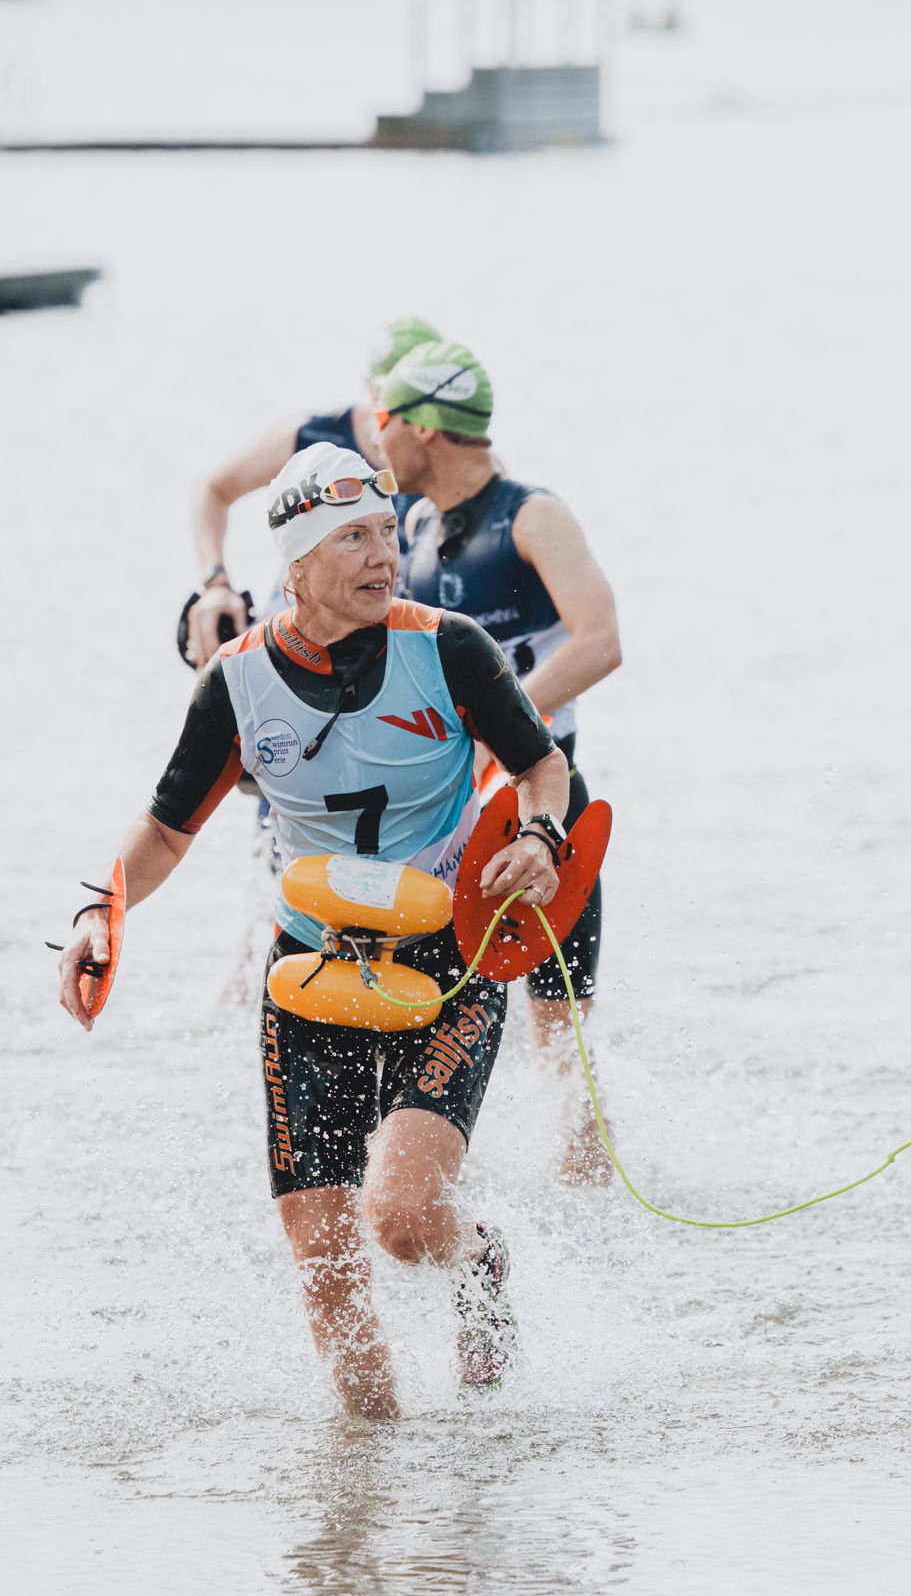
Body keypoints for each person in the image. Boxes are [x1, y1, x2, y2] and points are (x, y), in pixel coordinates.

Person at [57, 442, 573, 1419]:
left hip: (447, 965)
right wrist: (102, 911)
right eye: (354, 539)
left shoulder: (448, 647)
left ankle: (477, 1259)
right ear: (297, 563)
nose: (384, 556)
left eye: (388, 532)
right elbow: (167, 830)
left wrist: (541, 838)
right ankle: (364, 1531)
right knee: (328, 1275)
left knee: (404, 1221)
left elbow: (542, 767)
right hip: (310, 973)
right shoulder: (238, 685)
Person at [374, 340, 623, 1185]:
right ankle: (436, 1199)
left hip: (546, 807)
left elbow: (601, 642)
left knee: (560, 1047)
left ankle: (593, 1218)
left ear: (424, 429)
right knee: (433, 1022)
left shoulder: (533, 516)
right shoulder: (407, 525)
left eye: (384, 424)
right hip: (447, 820)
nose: (377, 443)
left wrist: (500, 725)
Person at [182, 315, 440, 664]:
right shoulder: (314, 435)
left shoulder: (453, 457)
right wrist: (216, 584)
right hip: (301, 623)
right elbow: (214, 491)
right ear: (370, 388)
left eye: (412, 402)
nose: (395, 415)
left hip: (394, 638)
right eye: (387, 396)